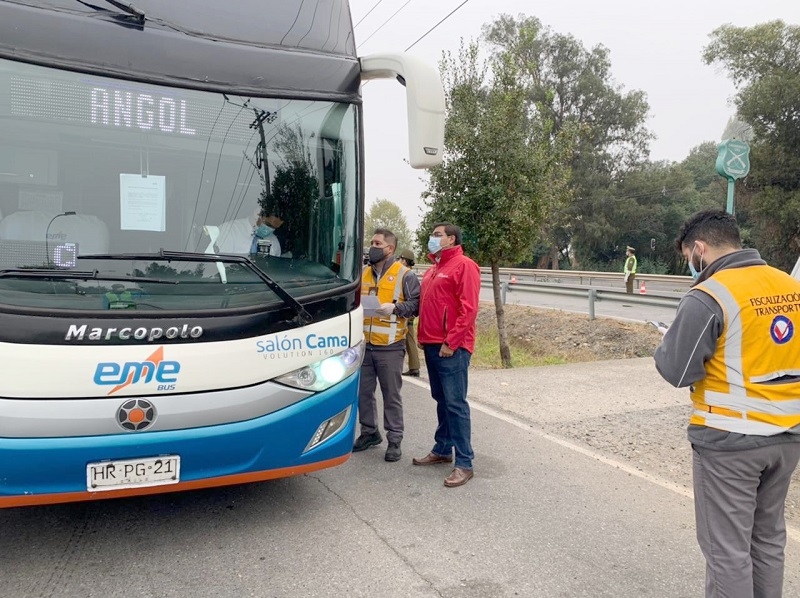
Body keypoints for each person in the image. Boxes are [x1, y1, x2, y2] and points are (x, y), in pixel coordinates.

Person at [654, 208, 800, 598]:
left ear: (699, 248)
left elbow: (678, 370)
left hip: (729, 441)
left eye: (688, 258)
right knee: (767, 540)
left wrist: (667, 340)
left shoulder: (709, 295)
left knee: (727, 551)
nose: (691, 266)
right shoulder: (789, 285)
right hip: (787, 437)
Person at [413, 222, 480, 488]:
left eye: (437, 235)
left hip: (451, 346)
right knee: (441, 399)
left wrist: (451, 342)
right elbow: (428, 306)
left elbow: (469, 308)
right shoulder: (433, 269)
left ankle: (464, 463)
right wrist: (422, 338)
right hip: (431, 344)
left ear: (451, 239)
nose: (432, 238)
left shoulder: (464, 265)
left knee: (455, 403)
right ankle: (442, 449)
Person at [353, 228, 420, 462]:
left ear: (390, 248)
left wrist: (396, 308)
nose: (372, 246)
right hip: (365, 344)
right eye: (371, 241)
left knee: (391, 395)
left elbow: (416, 305)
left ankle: (394, 439)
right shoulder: (363, 273)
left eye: (377, 243)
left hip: (390, 346)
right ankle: (369, 432)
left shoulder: (404, 275)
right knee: (363, 393)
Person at [215, 207, 281, 256]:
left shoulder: (273, 242)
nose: (269, 229)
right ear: (259, 215)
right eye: (268, 224)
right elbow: (221, 263)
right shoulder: (229, 230)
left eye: (274, 227)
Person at [398, 249, 421, 377]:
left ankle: (414, 367)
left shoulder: (407, 275)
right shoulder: (410, 274)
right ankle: (414, 366)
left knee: (409, 339)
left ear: (405, 260)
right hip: (409, 312)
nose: (399, 261)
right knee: (409, 339)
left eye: (401, 258)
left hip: (407, 313)